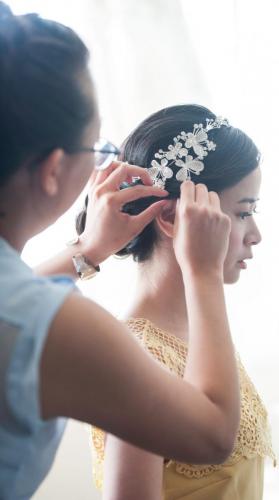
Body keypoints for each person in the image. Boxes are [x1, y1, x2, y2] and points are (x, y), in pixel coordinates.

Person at [0, 4, 241, 499]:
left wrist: (88, 250)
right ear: (51, 170)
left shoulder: (25, 305)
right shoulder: (68, 328)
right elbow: (213, 434)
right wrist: (203, 271)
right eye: (96, 149)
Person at [86, 104, 277, 500]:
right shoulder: (138, 360)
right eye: (243, 213)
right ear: (173, 218)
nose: (255, 234)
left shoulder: (197, 336)